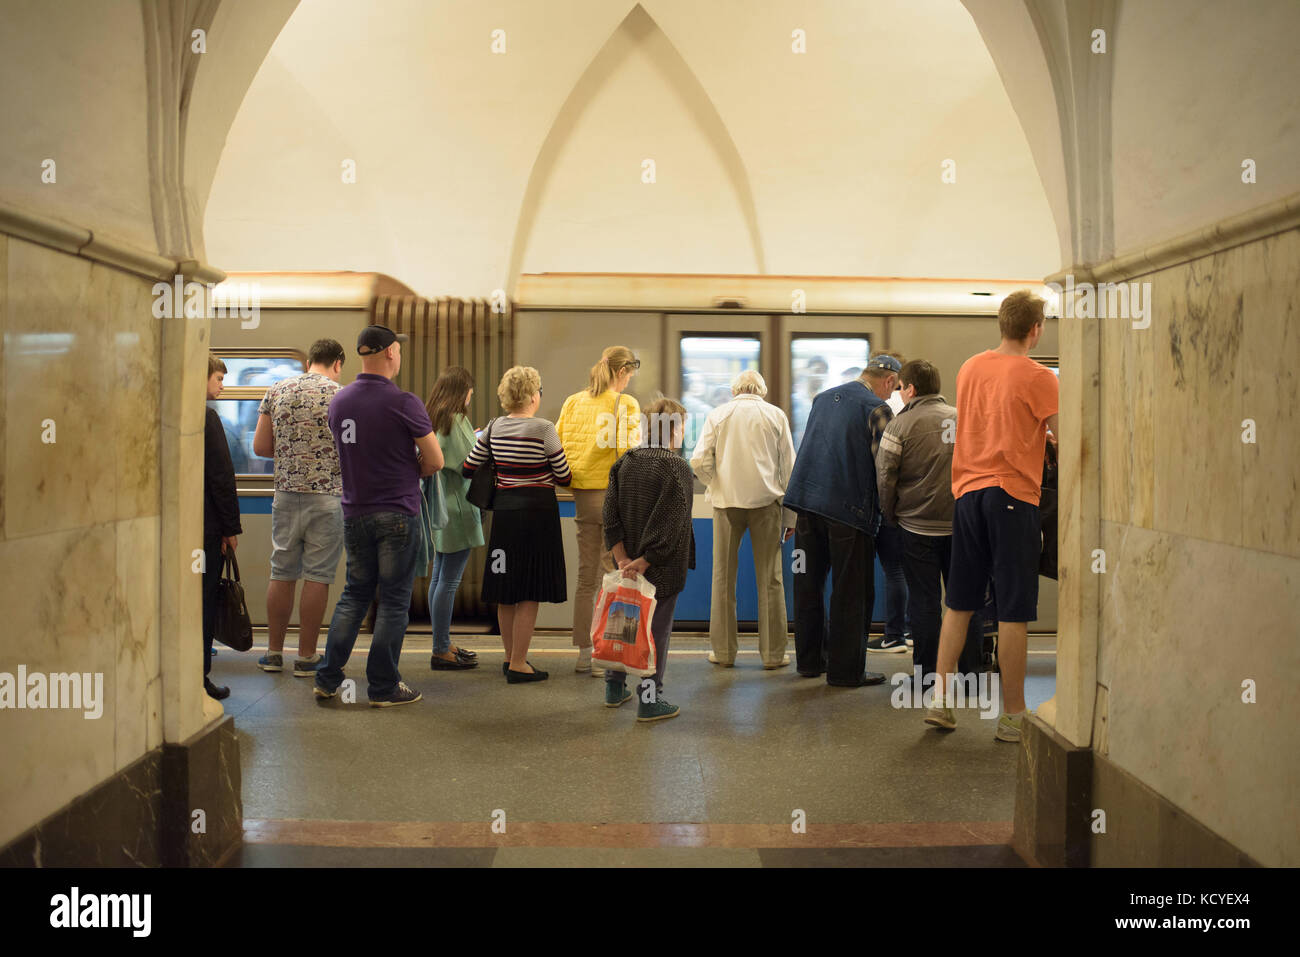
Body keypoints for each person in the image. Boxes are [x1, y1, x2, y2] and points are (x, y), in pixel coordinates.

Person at [925, 290, 1059, 741]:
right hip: (1012, 496)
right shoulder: (1040, 376)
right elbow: (1064, 432)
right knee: (1013, 608)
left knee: (959, 601)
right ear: (1036, 329)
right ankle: (1013, 715)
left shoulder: (970, 367)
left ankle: (941, 701)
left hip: (967, 494)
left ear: (1002, 323)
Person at [313, 325, 443, 708]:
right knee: (393, 601)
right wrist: (407, 473)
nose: (399, 355)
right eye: (398, 350)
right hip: (397, 514)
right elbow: (435, 460)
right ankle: (384, 686)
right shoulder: (404, 402)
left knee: (354, 595)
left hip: (354, 512)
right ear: (389, 353)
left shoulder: (339, 402)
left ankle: (327, 678)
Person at [874, 359, 983, 690]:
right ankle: (970, 676)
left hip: (916, 528)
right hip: (961, 528)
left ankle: (928, 676)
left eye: (900, 388)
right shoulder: (962, 418)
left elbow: (885, 477)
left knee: (923, 602)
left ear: (911, 388)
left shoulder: (900, 426)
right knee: (966, 601)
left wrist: (890, 514)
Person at [463, 366, 571, 683]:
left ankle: (510, 658)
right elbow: (565, 476)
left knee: (506, 588)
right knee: (530, 589)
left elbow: (469, 467)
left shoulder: (495, 427)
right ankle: (520, 664)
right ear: (533, 395)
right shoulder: (544, 428)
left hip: (506, 517)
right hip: (538, 514)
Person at [252, 338, 345, 677]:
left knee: (282, 571)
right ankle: (306, 657)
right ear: (337, 363)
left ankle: (273, 653)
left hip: (287, 495)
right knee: (318, 576)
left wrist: (293, 454)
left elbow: (261, 446)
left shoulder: (276, 390)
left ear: (309, 361)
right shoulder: (341, 396)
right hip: (329, 496)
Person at [690, 370, 795, 669]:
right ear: (760, 390)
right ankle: (774, 654)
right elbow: (789, 468)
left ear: (735, 390)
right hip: (767, 506)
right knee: (771, 580)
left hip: (726, 507)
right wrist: (791, 516)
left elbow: (698, 461)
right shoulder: (776, 415)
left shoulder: (718, 414)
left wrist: (716, 483)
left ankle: (723, 653)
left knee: (723, 578)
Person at [602, 398, 695, 721]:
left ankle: (614, 688)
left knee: (622, 623)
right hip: (662, 568)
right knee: (657, 631)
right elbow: (673, 522)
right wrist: (647, 560)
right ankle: (650, 699)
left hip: (625, 563)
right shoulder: (677, 466)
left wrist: (623, 558)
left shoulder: (625, 461)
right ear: (674, 429)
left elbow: (609, 514)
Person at [555, 346, 641, 675]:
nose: (630, 381)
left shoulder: (573, 401)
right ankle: (607, 651)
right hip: (612, 495)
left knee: (586, 576)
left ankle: (583, 653)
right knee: (614, 573)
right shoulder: (625, 404)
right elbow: (626, 451)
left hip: (582, 495)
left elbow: (558, 443)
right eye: (630, 375)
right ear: (621, 372)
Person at [423, 366, 483, 671]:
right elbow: (468, 464)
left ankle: (442, 642)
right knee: (449, 581)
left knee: (439, 578)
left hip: (440, 506)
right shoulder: (456, 419)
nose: (471, 396)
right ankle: (440, 649)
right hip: (458, 508)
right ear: (462, 391)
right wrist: (480, 442)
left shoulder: (434, 417)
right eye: (470, 390)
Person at [860, 353, 910, 654]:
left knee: (892, 569)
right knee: (904, 569)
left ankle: (894, 634)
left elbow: (884, 462)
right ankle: (908, 629)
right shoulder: (907, 405)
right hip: (907, 503)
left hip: (883, 502)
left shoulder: (882, 407)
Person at [203, 356, 242, 701]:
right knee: (203, 602)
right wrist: (230, 529)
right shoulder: (208, 418)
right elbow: (221, 478)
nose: (222, 385)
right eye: (217, 377)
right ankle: (201, 677)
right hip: (208, 529)